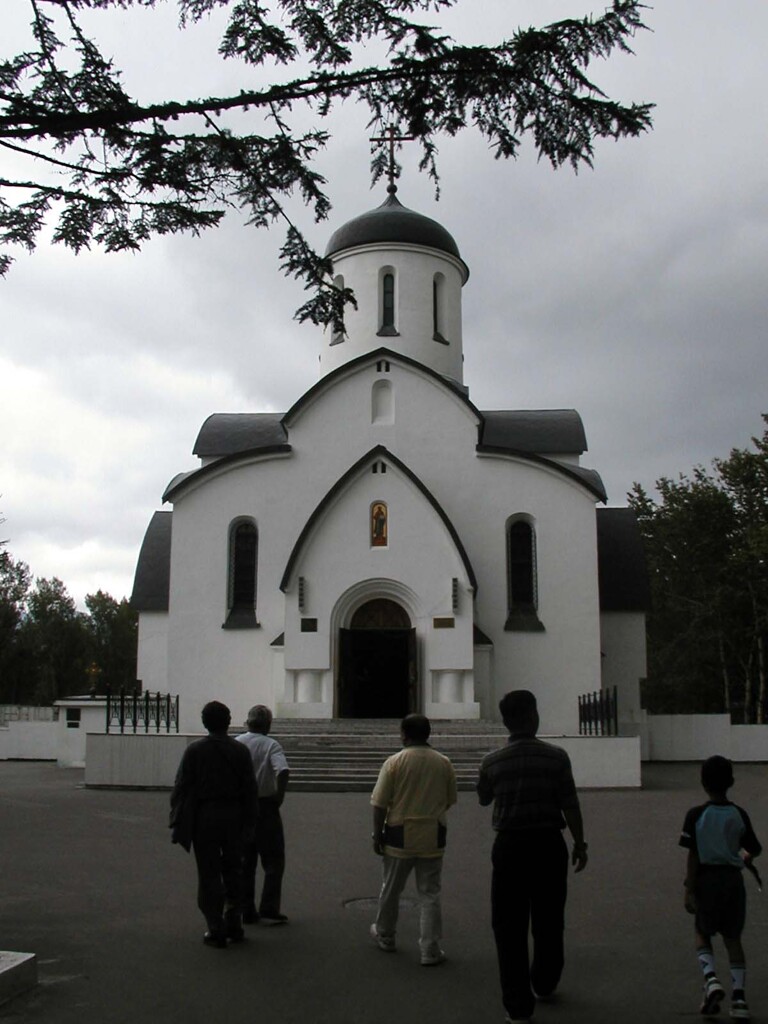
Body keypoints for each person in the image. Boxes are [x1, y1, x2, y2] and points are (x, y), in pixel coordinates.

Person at [477, 690, 588, 1023]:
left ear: (506, 721)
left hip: (509, 846)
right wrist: (580, 843)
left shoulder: (492, 761)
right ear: (533, 717)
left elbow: (483, 797)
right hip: (547, 843)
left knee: (508, 927)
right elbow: (570, 803)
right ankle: (544, 980)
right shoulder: (556, 757)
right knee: (549, 918)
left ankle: (517, 1006)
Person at [369, 713, 457, 966]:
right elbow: (450, 799)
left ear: (404, 734)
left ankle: (385, 934)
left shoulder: (395, 762)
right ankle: (429, 949)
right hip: (432, 834)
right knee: (430, 893)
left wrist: (378, 833)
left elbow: (379, 803)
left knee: (391, 888)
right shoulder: (443, 763)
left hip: (399, 834)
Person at [679, 755, 762, 1021]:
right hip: (733, 883)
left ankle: (711, 978)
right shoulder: (739, 814)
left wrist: (689, 888)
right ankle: (739, 998)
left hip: (707, 881)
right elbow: (754, 848)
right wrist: (744, 857)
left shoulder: (696, 815)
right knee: (733, 938)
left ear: (703, 782)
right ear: (732, 782)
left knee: (702, 932)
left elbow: (693, 856)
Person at [169, 700, 257, 948]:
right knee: (234, 869)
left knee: (208, 873)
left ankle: (215, 925)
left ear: (204, 722)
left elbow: (182, 787)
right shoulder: (240, 751)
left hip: (205, 816)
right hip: (234, 815)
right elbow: (250, 789)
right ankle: (234, 920)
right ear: (228, 721)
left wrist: (177, 818)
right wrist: (250, 822)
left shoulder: (195, 751)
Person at [235, 704, 290, 925]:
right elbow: (283, 770)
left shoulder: (237, 743)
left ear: (248, 722)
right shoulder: (271, 745)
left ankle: (245, 909)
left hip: (241, 807)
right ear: (267, 724)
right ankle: (268, 907)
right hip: (266, 806)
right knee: (274, 860)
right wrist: (279, 795)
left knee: (245, 862)